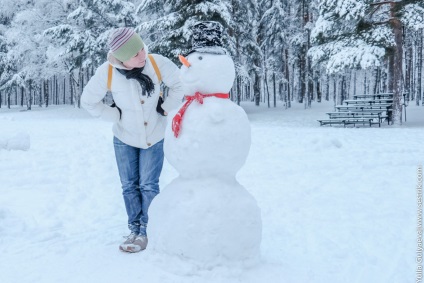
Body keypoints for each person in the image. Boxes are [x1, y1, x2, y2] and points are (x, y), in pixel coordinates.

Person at [81, 27, 184, 253]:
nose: (142, 54)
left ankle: (148, 229)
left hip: (154, 137)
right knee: (129, 186)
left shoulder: (156, 63)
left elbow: (179, 85)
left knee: (148, 185)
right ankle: (134, 228)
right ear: (121, 58)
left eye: (141, 48)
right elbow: (88, 101)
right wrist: (113, 114)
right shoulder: (107, 72)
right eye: (135, 53)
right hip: (124, 137)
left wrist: (165, 108)